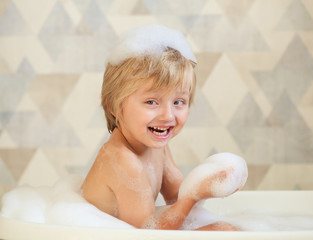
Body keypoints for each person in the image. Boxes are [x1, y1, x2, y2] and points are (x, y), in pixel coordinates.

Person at [82, 24, 238, 230]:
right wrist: (192, 195)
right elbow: (149, 232)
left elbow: (176, 196)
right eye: (151, 102)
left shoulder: (156, 146)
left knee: (225, 228)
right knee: (225, 231)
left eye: (178, 102)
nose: (168, 115)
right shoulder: (123, 161)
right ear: (114, 106)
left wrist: (208, 183)